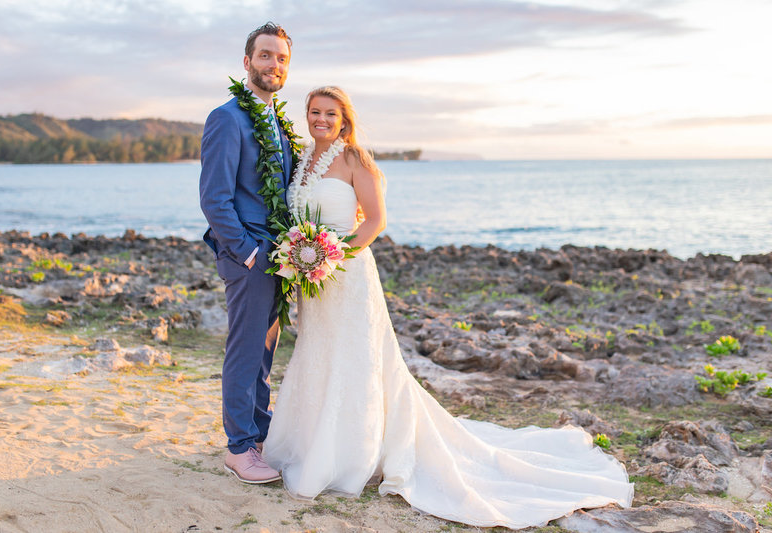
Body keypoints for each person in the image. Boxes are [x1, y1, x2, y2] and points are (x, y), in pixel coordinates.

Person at [262, 86, 634, 528]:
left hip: (347, 275)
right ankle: (312, 442)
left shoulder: (354, 159)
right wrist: (307, 261)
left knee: (356, 361)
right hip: (313, 282)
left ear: (344, 120)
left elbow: (376, 221)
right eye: (314, 112)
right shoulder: (301, 160)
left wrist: (332, 256)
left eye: (330, 113)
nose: (321, 119)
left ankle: (350, 453)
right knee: (318, 355)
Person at [199, 22, 295, 484]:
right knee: (244, 350)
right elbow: (214, 197)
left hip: (281, 257)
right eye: (265, 55)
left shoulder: (277, 121)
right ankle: (239, 449)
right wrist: (248, 253)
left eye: (280, 58)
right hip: (250, 258)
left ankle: (258, 432)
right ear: (247, 61)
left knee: (264, 350)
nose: (273, 64)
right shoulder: (227, 117)